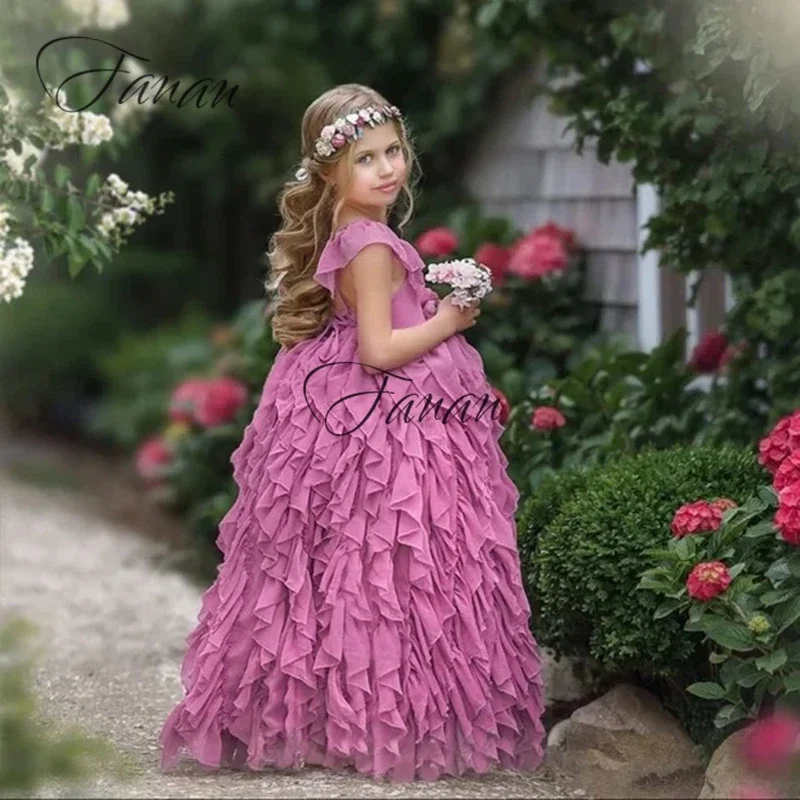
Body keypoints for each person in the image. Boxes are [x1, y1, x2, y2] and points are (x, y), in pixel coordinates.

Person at [159, 83, 546, 783]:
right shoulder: (370, 242)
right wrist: (449, 320)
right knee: (392, 564)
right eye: (366, 158)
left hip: (345, 405)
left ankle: (328, 718)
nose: (388, 168)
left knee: (348, 565)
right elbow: (378, 348)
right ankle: (383, 719)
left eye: (393, 150)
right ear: (332, 170)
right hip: (384, 410)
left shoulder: (351, 226)